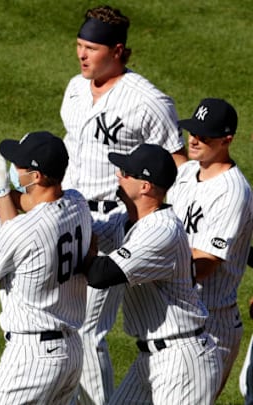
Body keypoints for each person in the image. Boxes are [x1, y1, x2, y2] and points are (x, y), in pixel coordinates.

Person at [60, 6, 187, 403]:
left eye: (91, 48)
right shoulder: (76, 88)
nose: (82, 55)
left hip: (115, 222)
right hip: (72, 216)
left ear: (118, 51)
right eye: (79, 45)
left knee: (87, 330)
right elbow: (72, 147)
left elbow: (177, 168)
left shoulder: (148, 102)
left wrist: (164, 231)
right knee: (64, 322)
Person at [0, 132, 91, 404]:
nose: (14, 168)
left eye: (20, 165)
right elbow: (32, 208)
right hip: (71, 352)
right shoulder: (77, 203)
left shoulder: (23, 231)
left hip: (32, 356)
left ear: (36, 177)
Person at [84, 144, 221, 404]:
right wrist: (1, 198)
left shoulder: (161, 231)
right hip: (151, 360)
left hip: (182, 363)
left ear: (145, 186)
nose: (117, 175)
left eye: (125, 172)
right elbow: (80, 228)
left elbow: (100, 275)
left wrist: (87, 245)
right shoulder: (126, 220)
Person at [167, 98, 253, 397]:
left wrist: (152, 265)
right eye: (193, 132)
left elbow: (206, 262)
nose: (195, 139)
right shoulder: (187, 173)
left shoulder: (233, 192)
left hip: (212, 326)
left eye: (205, 136)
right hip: (178, 315)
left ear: (227, 140)